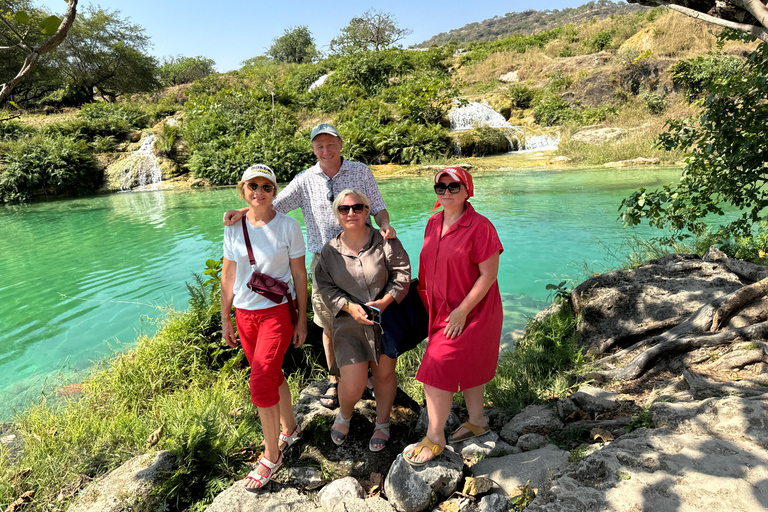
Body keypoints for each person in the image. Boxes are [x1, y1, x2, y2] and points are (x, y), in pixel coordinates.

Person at [223, 123, 396, 409]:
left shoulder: (360, 171)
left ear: (340, 143)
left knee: (369, 316)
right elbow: (273, 202)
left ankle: (370, 377)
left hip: (362, 254)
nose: (325, 151)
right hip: (324, 260)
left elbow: (377, 205)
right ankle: (335, 379)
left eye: (330, 144)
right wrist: (244, 210)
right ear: (313, 149)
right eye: (319, 146)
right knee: (330, 323)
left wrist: (386, 224)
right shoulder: (305, 178)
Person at [402, 166, 504, 466]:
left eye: (454, 187)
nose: (446, 192)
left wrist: (461, 312)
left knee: (435, 366)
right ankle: (478, 421)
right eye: (441, 187)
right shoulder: (433, 222)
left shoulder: (480, 227)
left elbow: (488, 275)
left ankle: (435, 437)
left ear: (467, 190)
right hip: (439, 310)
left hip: (473, 310)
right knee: (468, 363)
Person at [221, 164, 308, 490]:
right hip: (244, 315)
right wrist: (225, 316)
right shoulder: (233, 226)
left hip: (275, 313)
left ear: (274, 191)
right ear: (243, 189)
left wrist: (301, 319)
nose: (259, 192)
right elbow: (228, 275)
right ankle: (291, 429)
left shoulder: (288, 226)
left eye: (266, 187)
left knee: (259, 383)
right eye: (253, 186)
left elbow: (300, 276)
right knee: (272, 375)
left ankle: (272, 455)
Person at [314, 189, 411, 452]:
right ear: (337, 215)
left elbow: (402, 273)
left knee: (384, 375)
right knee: (354, 382)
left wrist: (386, 301)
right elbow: (324, 285)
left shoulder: (385, 240)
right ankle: (345, 414)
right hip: (348, 324)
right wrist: (348, 306)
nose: (351, 213)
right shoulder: (329, 251)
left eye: (357, 207)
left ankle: (382, 422)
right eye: (344, 209)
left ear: (368, 211)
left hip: (384, 320)